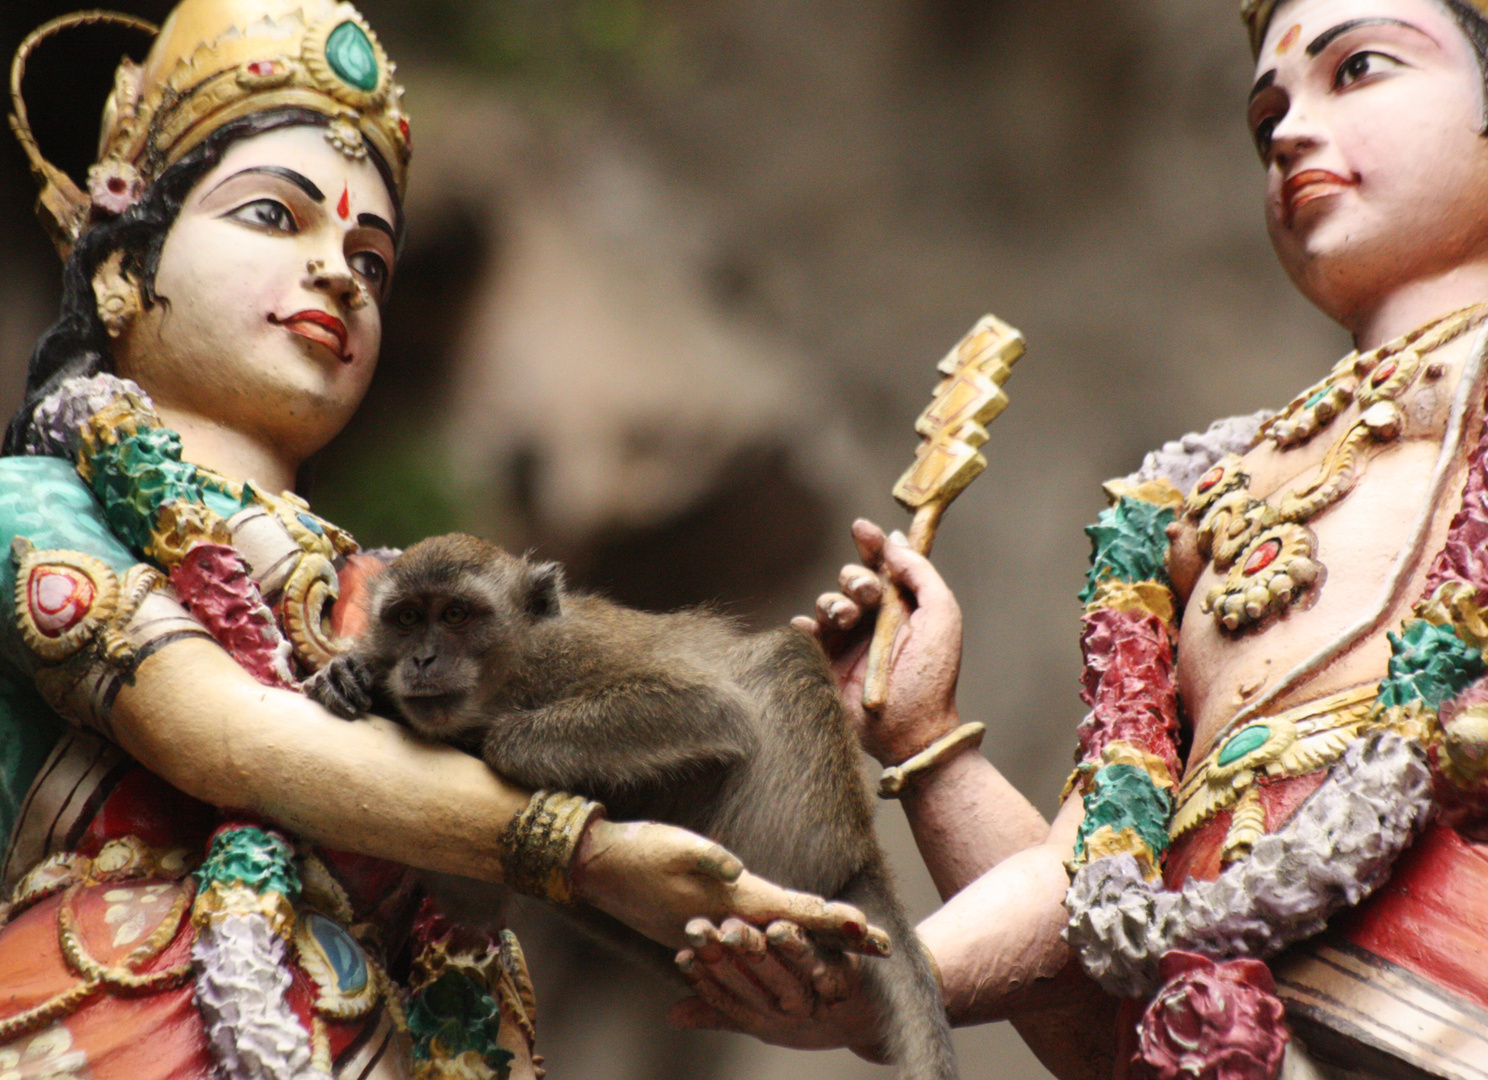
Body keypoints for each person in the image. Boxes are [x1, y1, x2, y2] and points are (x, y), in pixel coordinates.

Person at [674, 0, 1488, 1076]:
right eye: (1267, 118)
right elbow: (1097, 935)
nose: (1292, 134)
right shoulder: (1200, 497)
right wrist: (907, 823)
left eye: (1356, 69)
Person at [0, 2, 878, 1077]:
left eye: (369, 260)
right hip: (113, 1020)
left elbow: (468, 881)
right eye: (274, 217)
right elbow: (225, 740)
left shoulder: (387, 596)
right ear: (123, 256)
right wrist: (588, 856)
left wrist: (781, 898)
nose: (336, 273)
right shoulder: (37, 507)